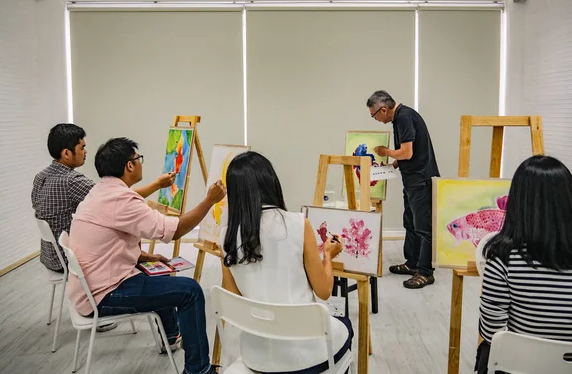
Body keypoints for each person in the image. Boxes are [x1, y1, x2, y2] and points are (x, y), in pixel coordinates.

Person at [66, 137, 225, 374]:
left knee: (161, 273)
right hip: (103, 295)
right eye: (138, 159)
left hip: (88, 287)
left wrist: (142, 257)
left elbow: (106, 242)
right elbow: (175, 230)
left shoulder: (99, 193)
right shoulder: (123, 201)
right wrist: (209, 201)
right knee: (190, 291)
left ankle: (170, 335)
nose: (140, 163)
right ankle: (199, 370)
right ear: (129, 165)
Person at [220, 151, 353, 374]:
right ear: (271, 182)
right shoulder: (298, 224)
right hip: (307, 354)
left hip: (256, 356)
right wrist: (327, 256)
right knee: (346, 325)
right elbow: (324, 290)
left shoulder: (227, 236)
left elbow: (232, 299)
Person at [476, 155, 572, 373]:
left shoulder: (502, 256)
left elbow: (491, 332)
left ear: (518, 203)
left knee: (487, 350)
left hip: (522, 367)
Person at [32, 124, 175, 274]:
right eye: (82, 148)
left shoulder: (40, 176)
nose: (86, 151)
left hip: (50, 255)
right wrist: (158, 184)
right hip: (69, 259)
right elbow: (116, 198)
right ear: (67, 153)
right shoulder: (72, 180)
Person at [366, 90, 440, 289]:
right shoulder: (401, 118)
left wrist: (385, 152)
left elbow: (407, 152)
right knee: (410, 222)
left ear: (383, 109)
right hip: (412, 180)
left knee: (424, 228)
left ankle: (425, 272)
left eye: (374, 115)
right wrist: (391, 165)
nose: (376, 119)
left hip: (421, 180)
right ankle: (413, 263)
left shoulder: (404, 118)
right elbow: (406, 154)